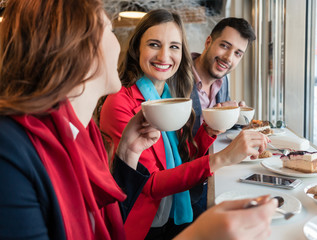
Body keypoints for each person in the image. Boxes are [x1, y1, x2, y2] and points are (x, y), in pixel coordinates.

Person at [0, 1, 277, 240]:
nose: (116, 41)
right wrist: (200, 233)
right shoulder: (11, 152)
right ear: (77, 46)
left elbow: (105, 215)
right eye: (109, 28)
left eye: (174, 47)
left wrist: (128, 154)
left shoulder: (83, 133)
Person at [100, 8, 271, 240]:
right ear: (136, 47)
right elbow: (148, 185)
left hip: (174, 213)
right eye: (153, 44)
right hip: (143, 224)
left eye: (174, 47)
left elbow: (186, 154)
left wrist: (209, 130)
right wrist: (222, 157)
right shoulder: (119, 102)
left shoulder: (172, 95)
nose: (164, 56)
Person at [191, 17, 256, 136]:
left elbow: (220, 129)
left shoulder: (223, 80)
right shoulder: (176, 75)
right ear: (208, 42)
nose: (228, 58)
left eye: (237, 53)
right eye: (225, 46)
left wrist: (236, 116)